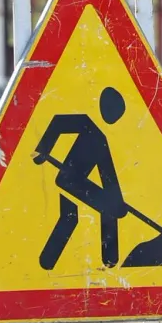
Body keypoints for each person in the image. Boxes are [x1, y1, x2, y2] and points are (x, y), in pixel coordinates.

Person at [32, 87, 129, 270]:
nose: (116, 119)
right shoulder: (88, 125)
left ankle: (110, 261)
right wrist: (43, 149)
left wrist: (118, 202)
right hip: (68, 179)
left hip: (75, 183)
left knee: (98, 211)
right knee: (72, 217)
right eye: (115, 113)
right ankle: (47, 263)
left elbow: (108, 175)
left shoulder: (101, 139)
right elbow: (59, 122)